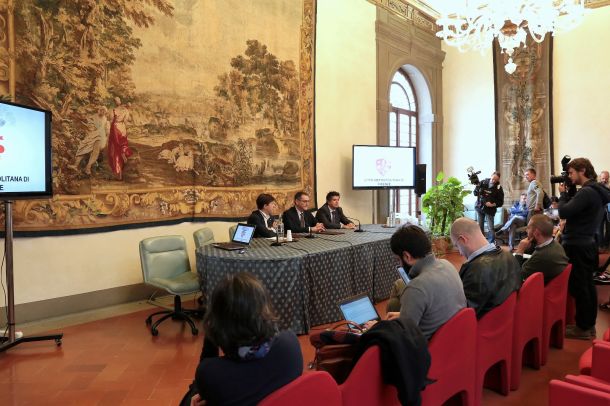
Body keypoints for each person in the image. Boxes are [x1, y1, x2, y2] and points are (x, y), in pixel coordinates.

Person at [191, 272, 302, 406]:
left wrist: (211, 334)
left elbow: (202, 392)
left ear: (217, 322)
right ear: (264, 311)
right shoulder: (290, 344)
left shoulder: (211, 374)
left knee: (192, 397)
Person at [377, 225, 466, 339]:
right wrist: (404, 315)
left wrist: (377, 328)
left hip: (426, 347)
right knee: (395, 302)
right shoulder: (447, 265)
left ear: (407, 256)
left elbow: (402, 339)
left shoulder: (415, 287)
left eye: (398, 260)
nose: (400, 264)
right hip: (454, 339)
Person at [558, 158, 609, 339]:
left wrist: (563, 195)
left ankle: (583, 328)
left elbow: (564, 211)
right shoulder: (596, 190)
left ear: (582, 171)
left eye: (571, 172)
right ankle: (587, 325)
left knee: (581, 287)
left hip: (578, 245)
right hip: (587, 242)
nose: (569, 176)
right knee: (586, 285)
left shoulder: (587, 192)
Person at [450, 217, 521, 319]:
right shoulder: (510, 257)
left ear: (463, 240)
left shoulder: (474, 271)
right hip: (507, 322)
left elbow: (462, 316)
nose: (460, 253)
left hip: (483, 327)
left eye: (457, 246)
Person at [513, 214, 569, 285]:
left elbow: (516, 277)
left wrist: (520, 250)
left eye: (528, 228)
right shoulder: (556, 245)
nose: (526, 231)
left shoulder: (542, 256)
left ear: (537, 233)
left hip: (533, 289)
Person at [68, 107, 109, 175]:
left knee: (95, 152)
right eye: (100, 110)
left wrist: (105, 138)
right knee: (83, 147)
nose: (102, 112)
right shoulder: (93, 117)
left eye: (103, 111)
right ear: (98, 110)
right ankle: (75, 165)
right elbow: (88, 126)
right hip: (91, 136)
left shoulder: (105, 119)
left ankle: (88, 167)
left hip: (100, 137)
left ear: (105, 112)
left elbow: (106, 131)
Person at [474, 171, 504, 243]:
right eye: (493, 179)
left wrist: (492, 204)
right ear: (491, 175)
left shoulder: (499, 188)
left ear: (498, 180)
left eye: (496, 180)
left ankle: (491, 244)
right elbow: (475, 193)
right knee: (480, 226)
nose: (493, 181)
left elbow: (501, 202)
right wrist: (477, 186)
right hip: (480, 207)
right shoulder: (482, 182)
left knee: (490, 228)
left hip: (490, 210)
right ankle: (481, 243)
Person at [107, 97, 133, 180]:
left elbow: (111, 120)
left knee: (115, 148)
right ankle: (123, 153)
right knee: (121, 144)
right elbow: (125, 121)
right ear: (120, 101)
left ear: (115, 102)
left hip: (115, 127)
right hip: (122, 127)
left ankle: (118, 173)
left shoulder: (113, 110)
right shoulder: (125, 110)